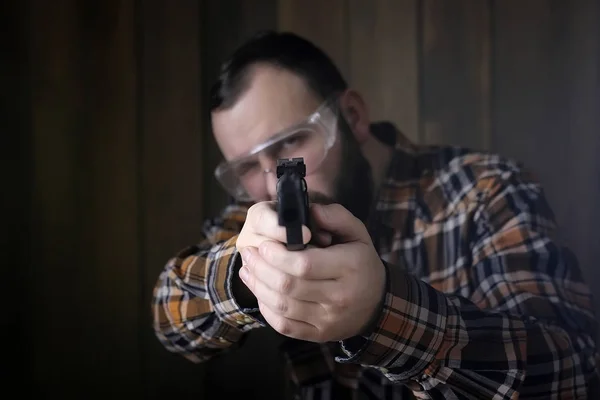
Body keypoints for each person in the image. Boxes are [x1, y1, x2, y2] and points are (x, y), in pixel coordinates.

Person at [151, 30, 599, 399]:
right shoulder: (254, 213)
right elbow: (170, 316)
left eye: (290, 143)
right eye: (247, 166)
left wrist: (383, 313)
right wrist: (246, 275)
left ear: (352, 114)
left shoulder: (484, 191)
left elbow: (574, 374)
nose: (271, 185)